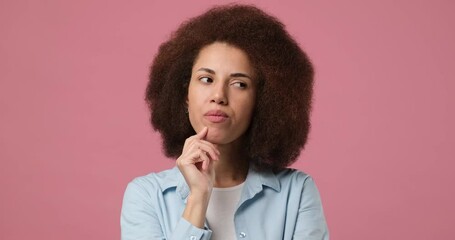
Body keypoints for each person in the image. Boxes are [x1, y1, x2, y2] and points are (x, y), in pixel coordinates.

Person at [121, 4, 329, 240]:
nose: (219, 95)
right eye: (206, 79)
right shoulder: (146, 196)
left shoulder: (297, 193)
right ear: (185, 95)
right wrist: (198, 198)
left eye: (239, 83)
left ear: (263, 100)